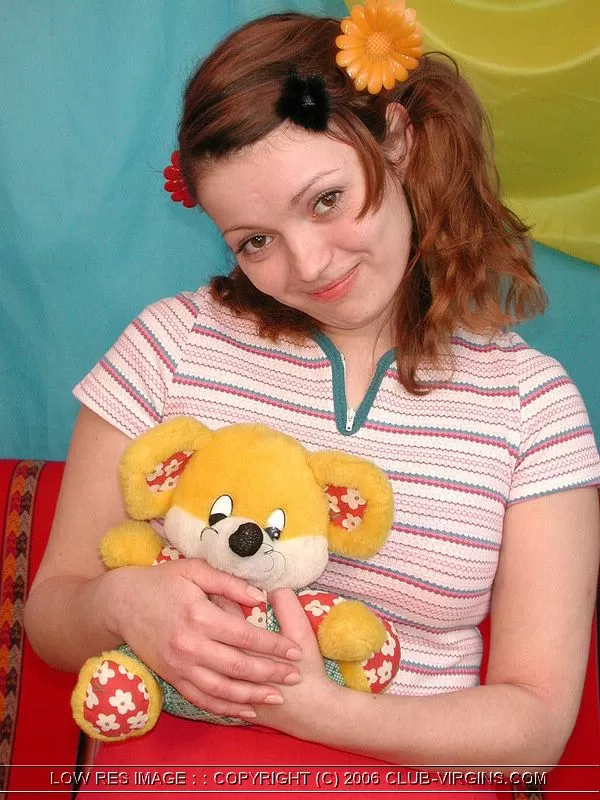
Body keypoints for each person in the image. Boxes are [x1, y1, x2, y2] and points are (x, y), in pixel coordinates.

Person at [24, 5, 599, 797]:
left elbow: (533, 729)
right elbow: (52, 613)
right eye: (254, 241)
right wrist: (120, 604)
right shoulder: (169, 344)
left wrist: (321, 711)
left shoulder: (532, 404)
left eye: (325, 200)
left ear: (396, 140)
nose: (308, 263)